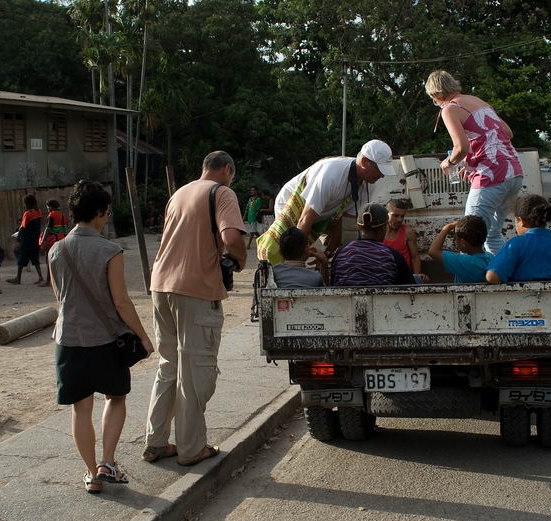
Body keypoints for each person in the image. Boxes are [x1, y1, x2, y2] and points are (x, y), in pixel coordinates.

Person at [48, 180, 154, 494]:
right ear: (98, 213)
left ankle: (91, 473)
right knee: (115, 398)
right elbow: (121, 301)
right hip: (106, 341)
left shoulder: (56, 250)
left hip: (68, 340)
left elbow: (60, 298)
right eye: (106, 212)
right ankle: (108, 461)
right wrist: (143, 337)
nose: (106, 217)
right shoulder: (110, 250)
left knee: (80, 409)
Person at [144, 151, 247, 466]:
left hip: (161, 285)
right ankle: (192, 449)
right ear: (227, 169)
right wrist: (240, 259)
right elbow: (230, 236)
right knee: (194, 371)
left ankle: (156, 442)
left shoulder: (180, 193)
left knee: (168, 366)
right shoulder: (222, 192)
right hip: (195, 290)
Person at [426, 70, 523, 254]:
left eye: (434, 100)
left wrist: (449, 162)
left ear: (436, 94)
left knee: (469, 236)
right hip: (514, 173)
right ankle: (501, 276)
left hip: (491, 175)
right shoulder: (478, 101)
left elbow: (460, 148)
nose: (436, 103)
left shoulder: (449, 108)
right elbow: (507, 133)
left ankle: (471, 281)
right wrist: (471, 163)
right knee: (493, 235)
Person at [257, 139, 395, 265]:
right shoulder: (331, 174)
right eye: (379, 169)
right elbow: (305, 219)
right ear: (364, 162)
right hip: (292, 205)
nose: (382, 175)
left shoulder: (369, 183)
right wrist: (298, 263)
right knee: (286, 251)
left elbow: (344, 223)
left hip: (324, 213)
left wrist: (327, 254)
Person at [331, 203, 415, 287]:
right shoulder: (394, 256)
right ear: (384, 228)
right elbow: (409, 289)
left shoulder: (341, 252)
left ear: (358, 227)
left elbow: (333, 284)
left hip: (344, 299)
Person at [427, 215, 491, 283]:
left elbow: (433, 251)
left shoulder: (465, 262)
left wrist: (447, 227)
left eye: (456, 238)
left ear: (463, 243)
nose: (455, 240)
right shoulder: (490, 257)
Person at [383, 199, 429, 283]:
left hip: (403, 276)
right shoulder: (379, 232)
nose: (400, 220)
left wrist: (417, 275)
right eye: (396, 216)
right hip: (385, 276)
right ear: (386, 214)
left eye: (402, 216)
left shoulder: (407, 232)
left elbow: (415, 257)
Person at [7, 194, 44, 284]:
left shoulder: (27, 214)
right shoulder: (38, 212)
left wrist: (18, 237)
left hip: (27, 240)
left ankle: (18, 278)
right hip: (36, 239)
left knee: (21, 259)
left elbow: (22, 228)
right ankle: (40, 277)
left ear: (27, 203)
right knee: (35, 259)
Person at [39, 199, 69, 288]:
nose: (48, 209)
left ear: (51, 207)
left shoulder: (51, 215)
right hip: (63, 240)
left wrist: (43, 241)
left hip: (52, 241)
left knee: (48, 260)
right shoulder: (64, 216)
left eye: (48, 207)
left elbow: (48, 229)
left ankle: (48, 281)